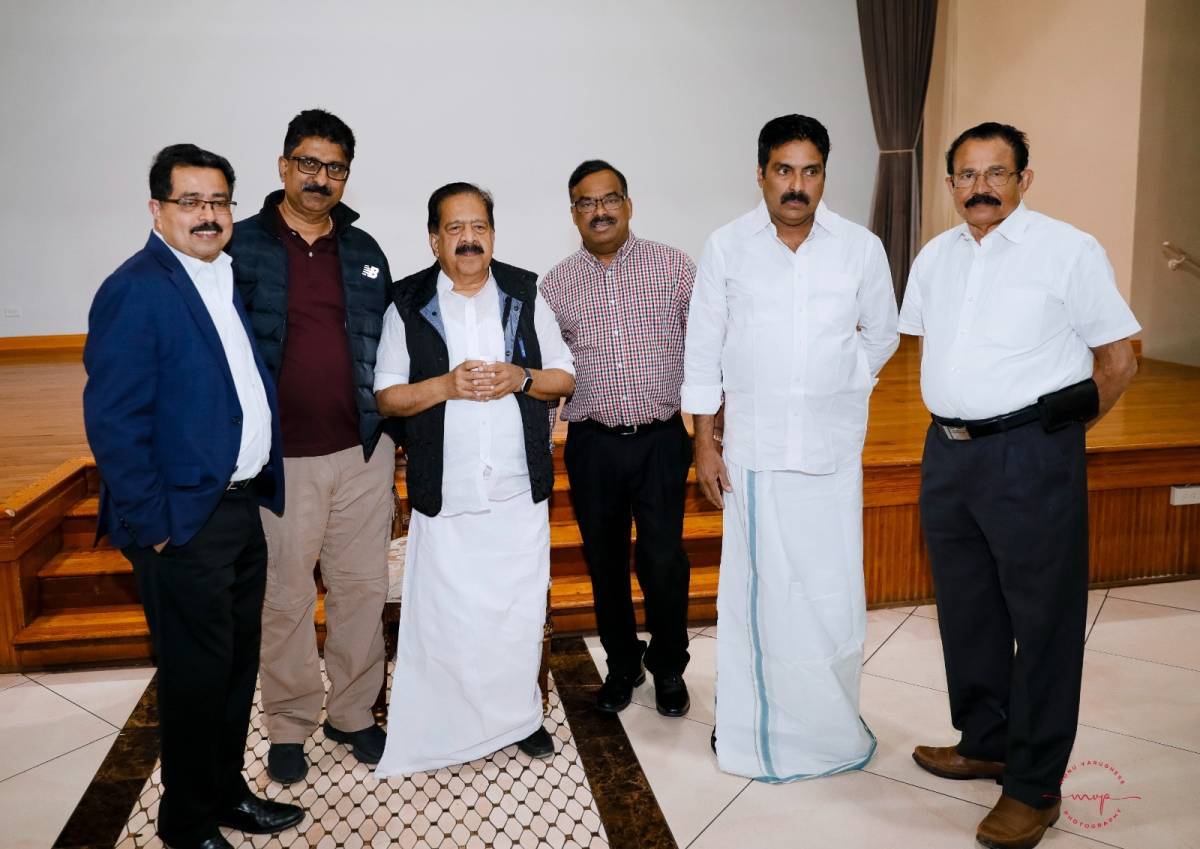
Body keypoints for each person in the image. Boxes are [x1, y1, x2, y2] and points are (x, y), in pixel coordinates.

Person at [900, 122, 1139, 849]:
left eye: (997, 173)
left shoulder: (1068, 250)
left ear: (1024, 179)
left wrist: (1056, 437)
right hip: (948, 453)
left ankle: (1034, 786)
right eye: (967, 175)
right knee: (967, 609)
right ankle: (986, 740)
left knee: (1043, 624)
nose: (982, 188)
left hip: (1031, 455)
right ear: (950, 185)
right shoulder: (935, 256)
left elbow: (1120, 358)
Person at [83, 144, 303, 849]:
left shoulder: (220, 275)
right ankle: (185, 823)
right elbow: (114, 422)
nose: (208, 215)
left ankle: (224, 791)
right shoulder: (135, 288)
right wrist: (156, 525)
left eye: (218, 202)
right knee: (194, 679)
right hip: (182, 521)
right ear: (158, 209)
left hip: (238, 507)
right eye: (191, 202)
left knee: (234, 667)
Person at [682, 114, 898, 780]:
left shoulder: (860, 247)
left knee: (832, 599)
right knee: (761, 604)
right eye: (784, 170)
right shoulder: (727, 247)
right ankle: (755, 730)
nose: (796, 185)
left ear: (824, 175)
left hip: (832, 457)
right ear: (761, 174)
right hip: (755, 458)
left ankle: (827, 729)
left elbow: (882, 335)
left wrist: (841, 385)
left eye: (810, 171)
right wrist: (705, 443)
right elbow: (703, 351)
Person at [373, 183, 575, 775]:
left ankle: (519, 719)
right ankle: (449, 722)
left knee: (514, 613)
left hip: (515, 487)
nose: (469, 238)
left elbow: (564, 377)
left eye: (479, 226)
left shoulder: (525, 292)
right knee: (449, 616)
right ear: (434, 239)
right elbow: (386, 396)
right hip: (447, 487)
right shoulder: (406, 302)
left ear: (493, 233)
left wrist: (521, 378)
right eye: (455, 228)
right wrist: (445, 386)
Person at [227, 109, 395, 784]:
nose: (320, 178)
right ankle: (290, 722)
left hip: (361, 454)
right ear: (283, 165)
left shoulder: (365, 250)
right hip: (281, 460)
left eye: (334, 168)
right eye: (308, 163)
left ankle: (352, 712)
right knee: (285, 596)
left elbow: (386, 351)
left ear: (346, 175)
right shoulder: (239, 247)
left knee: (362, 589)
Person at [540, 159, 696, 717]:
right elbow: (551, 370)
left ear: (628, 205)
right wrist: (542, 448)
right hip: (593, 444)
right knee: (604, 564)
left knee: (663, 561)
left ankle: (669, 666)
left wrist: (713, 430)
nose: (599, 211)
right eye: (586, 202)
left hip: (660, 440)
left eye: (609, 199)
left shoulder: (674, 268)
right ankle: (623, 664)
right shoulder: (554, 286)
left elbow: (706, 350)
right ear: (574, 213)